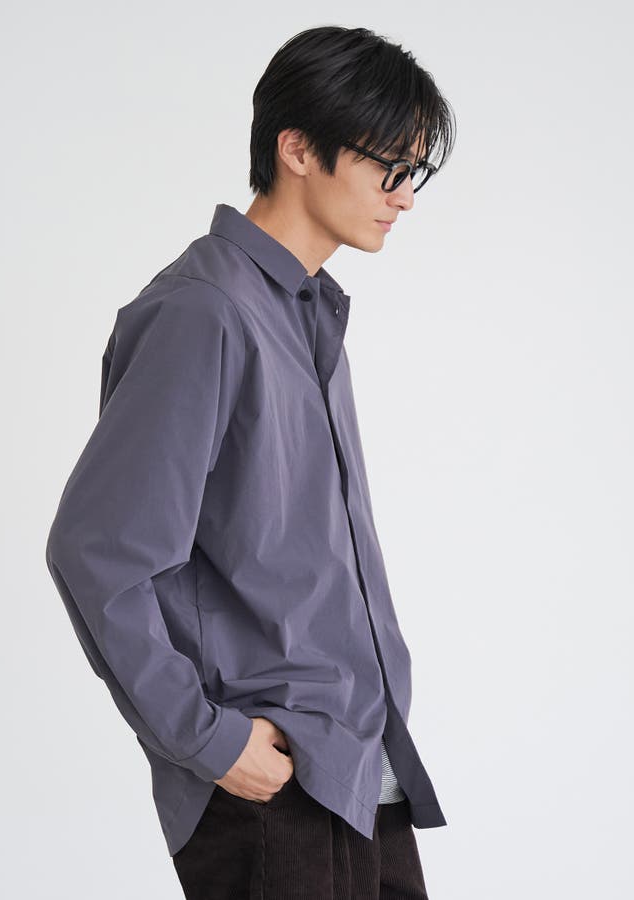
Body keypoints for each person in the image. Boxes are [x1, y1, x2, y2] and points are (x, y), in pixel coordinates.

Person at [44, 24, 455, 899]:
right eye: (389, 166)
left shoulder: (308, 313)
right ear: (297, 149)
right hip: (274, 784)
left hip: (360, 770)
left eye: (414, 172)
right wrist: (209, 740)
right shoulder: (204, 313)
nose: (403, 197)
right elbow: (97, 551)